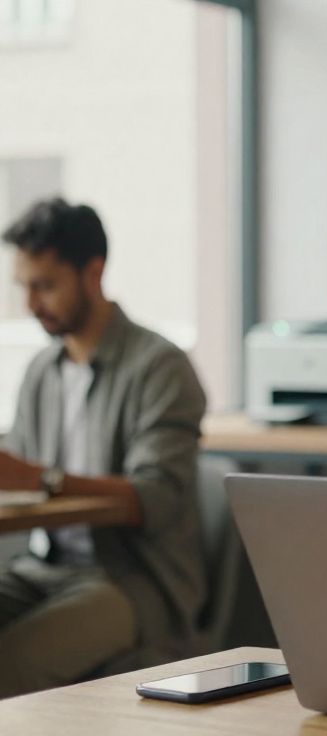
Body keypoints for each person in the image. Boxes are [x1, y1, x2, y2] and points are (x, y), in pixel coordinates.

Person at [0, 198, 208, 698]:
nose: (30, 304)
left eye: (45, 286)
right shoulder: (41, 374)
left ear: (93, 272)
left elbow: (154, 498)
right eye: (23, 286)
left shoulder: (160, 366)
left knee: (12, 663)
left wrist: (41, 480)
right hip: (41, 568)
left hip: (132, 580)